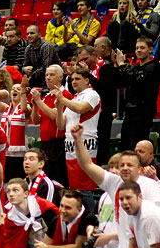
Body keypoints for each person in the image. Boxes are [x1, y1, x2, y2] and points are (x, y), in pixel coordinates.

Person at [73, 125, 160, 248]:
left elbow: (157, 222)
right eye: (122, 165)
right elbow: (87, 165)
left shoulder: (150, 186)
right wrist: (78, 139)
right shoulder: (114, 182)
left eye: (130, 165)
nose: (125, 168)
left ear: (139, 169)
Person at [54, 68, 100, 211]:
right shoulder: (73, 99)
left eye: (77, 79)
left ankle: (91, 218)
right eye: (72, 79)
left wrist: (63, 100)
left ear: (87, 80)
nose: (74, 82)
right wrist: (59, 107)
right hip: (70, 145)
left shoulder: (92, 94)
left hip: (85, 142)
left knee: (84, 188)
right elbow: (60, 125)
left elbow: (81, 109)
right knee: (75, 188)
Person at [2, 178, 59, 248]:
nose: (10, 194)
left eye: (15, 190)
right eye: (8, 191)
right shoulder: (11, 218)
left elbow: (61, 230)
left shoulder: (43, 207)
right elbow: (8, 246)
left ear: (25, 194)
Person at [114, 36, 160, 150]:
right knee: (125, 146)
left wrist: (122, 65)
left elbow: (138, 80)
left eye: (142, 48)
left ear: (150, 49)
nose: (138, 50)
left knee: (138, 146)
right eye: (137, 48)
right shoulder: (134, 69)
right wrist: (117, 66)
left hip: (143, 113)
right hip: (129, 113)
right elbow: (121, 82)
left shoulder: (154, 67)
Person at [31, 64, 72, 187]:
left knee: (58, 180)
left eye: (52, 75)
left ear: (61, 77)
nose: (48, 78)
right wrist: (34, 105)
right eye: (46, 75)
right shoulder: (46, 97)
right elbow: (36, 120)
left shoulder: (65, 95)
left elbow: (54, 116)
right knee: (46, 179)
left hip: (57, 144)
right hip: (45, 144)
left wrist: (38, 101)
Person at [0, 71, 30, 182]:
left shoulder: (27, 107)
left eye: (18, 89)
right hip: (5, 150)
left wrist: (23, 89)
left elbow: (23, 109)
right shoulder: (5, 108)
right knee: (6, 182)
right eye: (13, 89)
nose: (14, 90)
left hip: (20, 154)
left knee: (18, 182)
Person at [93, 36, 120, 165]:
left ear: (103, 48)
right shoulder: (106, 65)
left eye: (95, 46)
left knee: (103, 140)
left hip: (108, 108)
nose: (94, 49)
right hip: (106, 107)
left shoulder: (107, 66)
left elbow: (103, 89)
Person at [94, 153, 121, 248]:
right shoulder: (104, 196)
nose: (113, 170)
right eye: (111, 167)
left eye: (117, 167)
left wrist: (110, 237)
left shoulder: (128, 196)